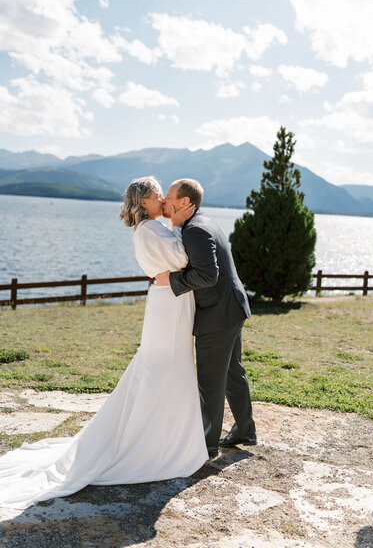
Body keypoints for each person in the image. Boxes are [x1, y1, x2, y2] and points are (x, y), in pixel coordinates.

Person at [0, 176, 208, 510]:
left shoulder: (152, 227)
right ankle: (156, 441)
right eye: (159, 195)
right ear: (146, 201)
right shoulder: (149, 230)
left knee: (168, 367)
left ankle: (167, 435)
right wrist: (185, 230)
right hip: (170, 305)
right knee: (164, 367)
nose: (163, 200)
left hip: (172, 300)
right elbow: (183, 260)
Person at [157, 179, 256, 458]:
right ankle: (244, 431)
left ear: (185, 203)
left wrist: (170, 279)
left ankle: (206, 443)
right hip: (231, 307)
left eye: (169, 197)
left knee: (211, 380)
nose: (165, 201)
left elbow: (207, 275)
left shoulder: (196, 230)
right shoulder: (200, 222)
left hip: (218, 313)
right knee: (232, 372)